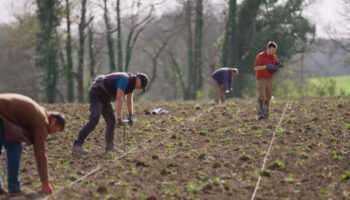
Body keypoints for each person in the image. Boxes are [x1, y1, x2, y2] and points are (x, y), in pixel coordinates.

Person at [0, 93, 65, 197]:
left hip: (3, 114)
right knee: (15, 147)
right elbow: (40, 151)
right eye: (54, 130)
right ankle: (14, 189)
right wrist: (45, 182)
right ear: (53, 121)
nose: (51, 133)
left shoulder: (39, 112)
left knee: (13, 143)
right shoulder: (42, 120)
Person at [72, 72, 149, 153]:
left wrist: (131, 115)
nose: (140, 88)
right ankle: (77, 144)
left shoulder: (131, 85)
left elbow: (129, 100)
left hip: (106, 97)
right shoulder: (124, 80)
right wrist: (119, 118)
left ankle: (110, 148)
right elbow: (119, 98)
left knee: (111, 121)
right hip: (97, 92)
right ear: (138, 79)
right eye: (141, 85)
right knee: (94, 120)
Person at [254, 41, 280, 120]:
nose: (273, 52)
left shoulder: (274, 57)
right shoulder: (261, 56)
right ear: (268, 49)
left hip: (270, 78)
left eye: (274, 51)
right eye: (272, 50)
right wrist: (266, 66)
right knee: (262, 95)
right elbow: (256, 68)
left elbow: (275, 67)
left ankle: (266, 114)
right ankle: (260, 113)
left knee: (268, 96)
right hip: (261, 78)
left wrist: (276, 68)